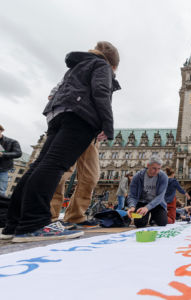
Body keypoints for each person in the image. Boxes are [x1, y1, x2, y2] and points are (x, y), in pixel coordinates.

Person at [1, 41, 120, 242]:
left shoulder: (78, 65)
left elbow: (55, 93)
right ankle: (34, 224)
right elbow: (101, 93)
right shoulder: (101, 65)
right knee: (55, 166)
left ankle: (13, 224)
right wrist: (108, 127)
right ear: (112, 63)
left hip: (58, 115)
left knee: (39, 165)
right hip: (80, 118)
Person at [126, 156, 168, 228]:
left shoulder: (163, 177)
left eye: (159, 169)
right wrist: (132, 206)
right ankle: (145, 217)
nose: (156, 171)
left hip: (156, 203)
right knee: (140, 224)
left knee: (162, 222)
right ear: (148, 165)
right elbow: (132, 195)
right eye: (154, 168)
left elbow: (160, 196)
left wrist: (147, 207)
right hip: (142, 202)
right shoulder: (137, 176)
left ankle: (152, 218)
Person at [0, 125, 22, 196]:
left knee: (1, 191)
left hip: (2, 170)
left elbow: (18, 153)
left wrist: (3, 154)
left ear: (1, 130)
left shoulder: (12, 142)